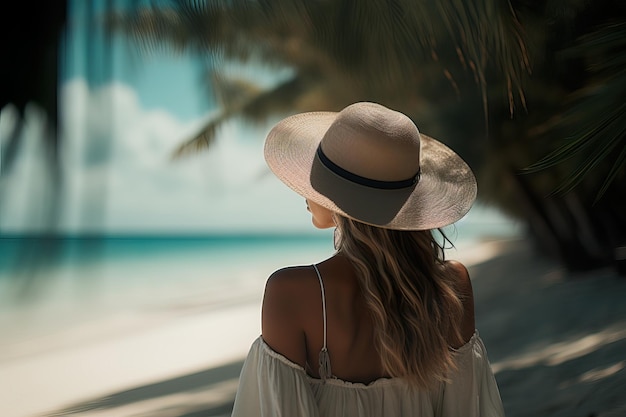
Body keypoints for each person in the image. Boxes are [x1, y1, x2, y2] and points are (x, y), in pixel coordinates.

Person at [231, 102, 505, 416]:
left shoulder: (292, 291)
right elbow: (466, 408)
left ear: (338, 197)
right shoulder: (451, 285)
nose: (304, 191)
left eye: (317, 175)